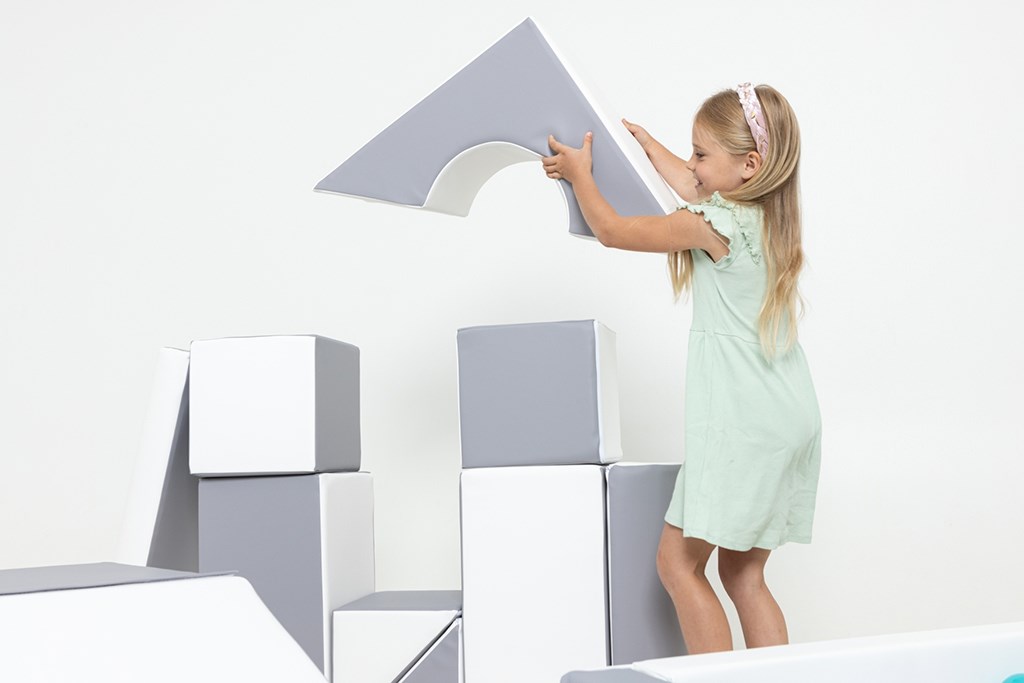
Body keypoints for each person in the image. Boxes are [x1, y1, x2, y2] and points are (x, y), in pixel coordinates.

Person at [542, 84, 821, 655]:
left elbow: (614, 231)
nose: (690, 165)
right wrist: (648, 146)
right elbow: (698, 183)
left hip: (745, 424)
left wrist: (580, 176)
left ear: (749, 165)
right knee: (744, 575)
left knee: (678, 565)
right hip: (787, 413)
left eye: (700, 153)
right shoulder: (765, 218)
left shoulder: (710, 225)